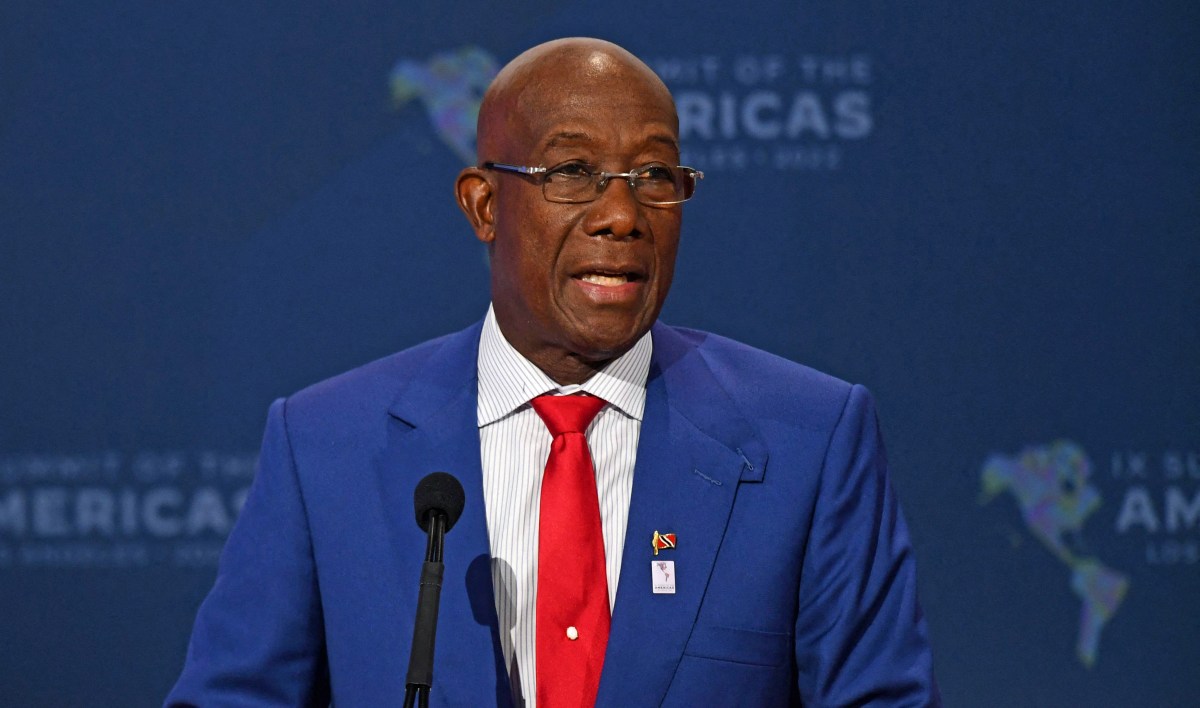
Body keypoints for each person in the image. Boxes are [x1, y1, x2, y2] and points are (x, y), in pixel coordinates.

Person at [167, 37, 938, 707]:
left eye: (656, 177)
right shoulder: (325, 445)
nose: (622, 214)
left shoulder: (808, 440)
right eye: (573, 170)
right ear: (484, 205)